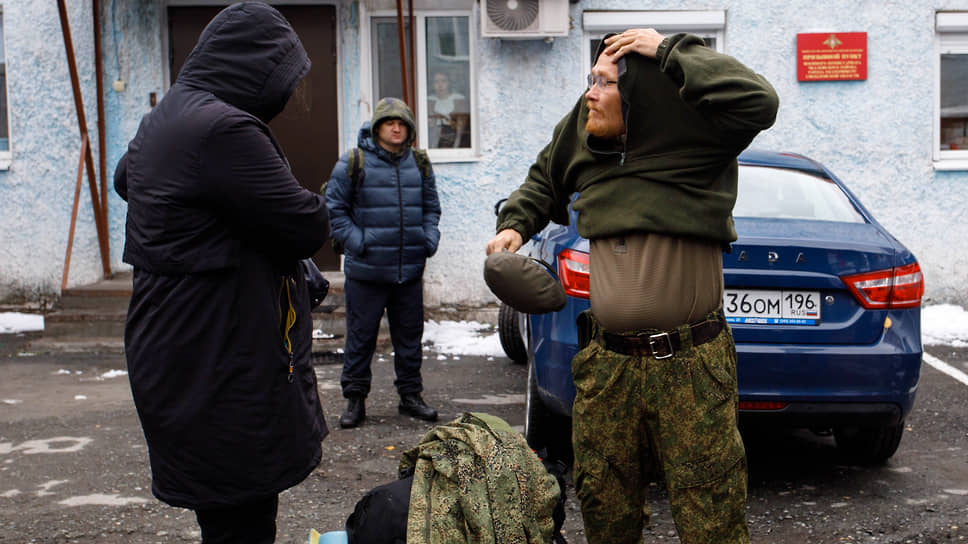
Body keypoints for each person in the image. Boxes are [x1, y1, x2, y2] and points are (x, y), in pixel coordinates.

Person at [486, 29, 779, 544]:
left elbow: (759, 99)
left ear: (640, 96)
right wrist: (515, 224)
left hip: (688, 364)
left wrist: (667, 50)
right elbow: (543, 180)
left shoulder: (700, 140)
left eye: (605, 83)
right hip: (609, 362)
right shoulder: (583, 133)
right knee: (604, 505)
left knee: (711, 514)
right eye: (590, 79)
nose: (590, 94)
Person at [113, 4, 329, 542]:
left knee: (227, 516)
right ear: (254, 69)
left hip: (178, 345)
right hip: (219, 355)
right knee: (244, 520)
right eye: (282, 79)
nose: (286, 97)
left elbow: (126, 179)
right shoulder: (223, 128)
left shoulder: (166, 116)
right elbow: (306, 224)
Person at [325, 97, 442, 429]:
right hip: (367, 272)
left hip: (409, 270)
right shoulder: (354, 162)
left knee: (409, 337)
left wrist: (428, 239)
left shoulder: (419, 163)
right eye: (390, 123)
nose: (396, 128)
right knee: (360, 338)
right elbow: (335, 210)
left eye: (402, 123)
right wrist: (359, 242)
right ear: (377, 127)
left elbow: (432, 208)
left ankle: (410, 397)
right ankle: (355, 400)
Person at [427, 71, 469, 148]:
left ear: (449, 83)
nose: (440, 85)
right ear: (432, 85)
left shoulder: (458, 99)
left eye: (443, 81)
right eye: (436, 82)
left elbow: (461, 127)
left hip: (454, 140)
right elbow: (429, 125)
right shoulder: (429, 101)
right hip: (433, 140)